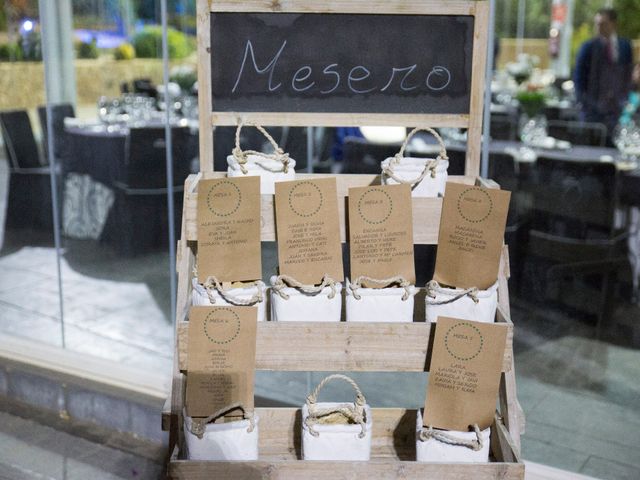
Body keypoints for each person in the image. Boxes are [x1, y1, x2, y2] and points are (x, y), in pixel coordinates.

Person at [574, 8, 634, 135]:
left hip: (615, 111)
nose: (599, 27)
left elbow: (627, 75)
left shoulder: (625, 46)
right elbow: (578, 79)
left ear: (613, 24)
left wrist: (623, 100)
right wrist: (585, 104)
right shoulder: (588, 47)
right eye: (597, 24)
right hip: (591, 111)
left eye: (603, 24)